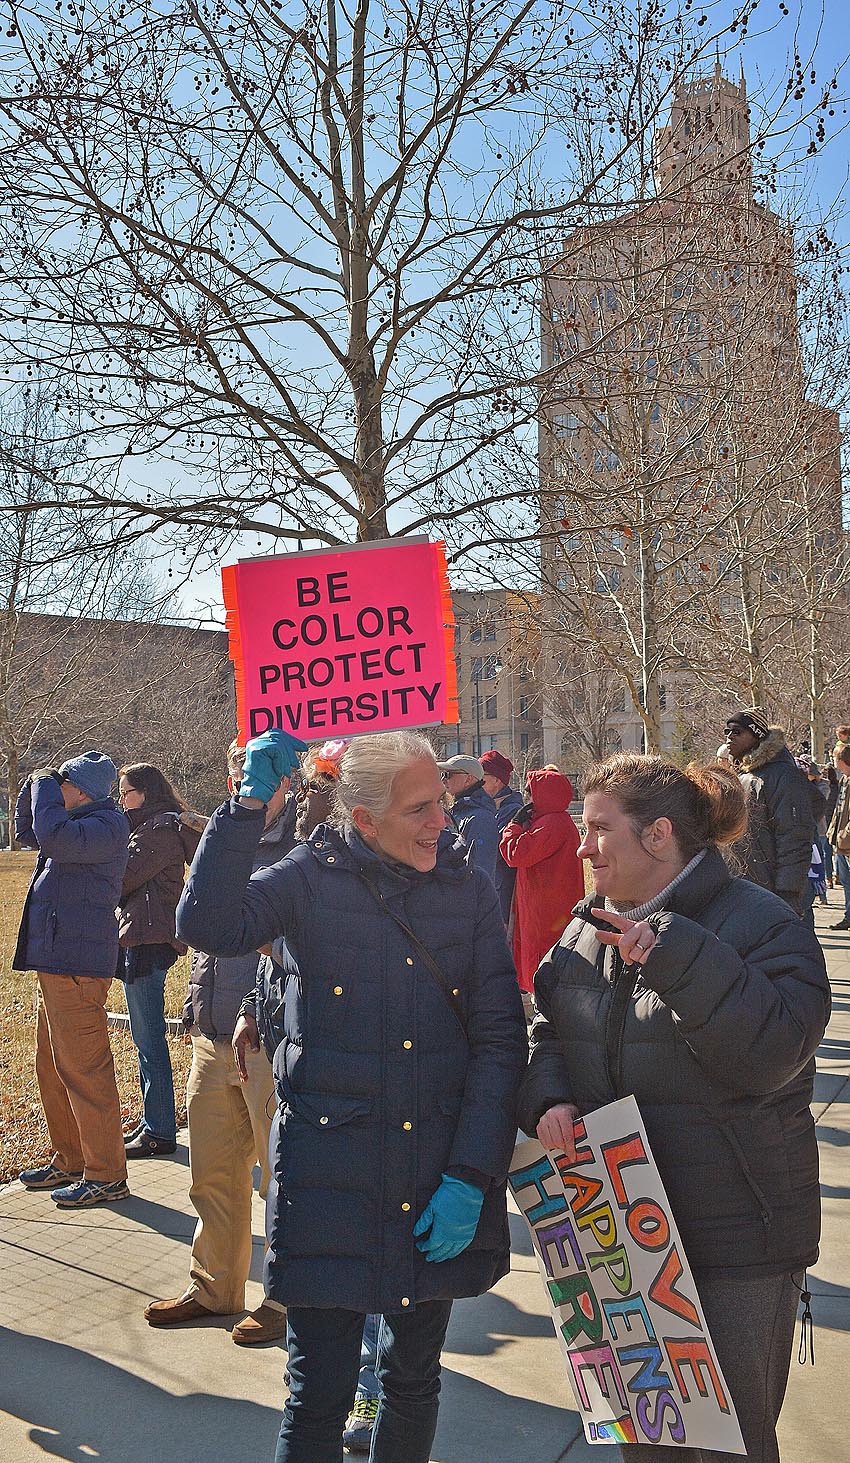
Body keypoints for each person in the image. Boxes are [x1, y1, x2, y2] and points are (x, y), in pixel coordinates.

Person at [179, 728, 527, 1463]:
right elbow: (207, 924)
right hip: (327, 1181)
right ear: (363, 819)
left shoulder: (464, 887)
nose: (442, 820)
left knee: (411, 1379)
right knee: (319, 1398)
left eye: (441, 800)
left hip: (435, 1173)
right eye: (420, 808)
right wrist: (244, 809)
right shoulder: (309, 877)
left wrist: (471, 1173)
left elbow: (500, 1039)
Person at [518, 752, 830, 1463]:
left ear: (658, 834)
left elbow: (774, 1049)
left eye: (599, 829)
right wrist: (550, 1098)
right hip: (622, 1240)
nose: (582, 846)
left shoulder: (762, 922)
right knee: (650, 1443)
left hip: (737, 1242)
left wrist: (672, 954)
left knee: (735, 1449)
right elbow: (548, 1037)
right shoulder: (582, 930)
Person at [144, 735, 304, 1344]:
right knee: (212, 1171)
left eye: (257, 770)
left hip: (269, 1036)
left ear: (288, 777)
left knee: (282, 1174)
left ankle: (287, 1298)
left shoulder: (305, 842)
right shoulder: (222, 835)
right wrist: (196, 1009)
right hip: (213, 1035)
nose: (245, 779)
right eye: (238, 767)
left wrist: (261, 1010)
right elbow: (203, 934)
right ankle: (214, 1287)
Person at [14, 752, 131, 1208]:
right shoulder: (74, 823)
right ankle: (71, 1159)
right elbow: (30, 831)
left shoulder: (104, 828)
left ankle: (106, 1174)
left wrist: (46, 785)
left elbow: (51, 836)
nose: (54, 788)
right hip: (59, 961)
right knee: (54, 1066)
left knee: (85, 1071)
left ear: (81, 790)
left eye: (61, 782)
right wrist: (35, 784)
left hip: (78, 967)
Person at [117, 763, 204, 1157]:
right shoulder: (146, 827)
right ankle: (154, 1124)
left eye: (126, 792)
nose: (121, 800)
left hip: (148, 939)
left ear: (146, 793)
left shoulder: (157, 829)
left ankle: (161, 1131)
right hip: (143, 936)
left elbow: (121, 878)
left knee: (149, 1039)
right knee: (144, 1039)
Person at [499, 767, 583, 997]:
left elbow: (514, 854)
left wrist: (514, 826)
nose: (528, 799)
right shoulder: (555, 820)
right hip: (549, 907)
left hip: (545, 911)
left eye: (530, 793)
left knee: (542, 966)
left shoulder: (552, 824)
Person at [723, 708, 814, 915]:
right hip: (747, 890)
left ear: (756, 736)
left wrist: (788, 894)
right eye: (726, 731)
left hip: (773, 896)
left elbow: (795, 837)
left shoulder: (783, 775)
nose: (729, 737)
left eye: (736, 732)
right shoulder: (745, 775)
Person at [436, 753, 499, 878]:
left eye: (448, 775)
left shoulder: (481, 818)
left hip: (465, 894)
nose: (443, 780)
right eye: (442, 775)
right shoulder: (459, 810)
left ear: (468, 779)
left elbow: (479, 871)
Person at [480, 749, 524, 923]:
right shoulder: (491, 806)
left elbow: (495, 848)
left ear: (497, 780)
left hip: (502, 890)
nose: (477, 780)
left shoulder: (511, 810)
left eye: (482, 775)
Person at [827, 743, 850, 931]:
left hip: (847, 841)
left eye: (835, 757)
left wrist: (844, 835)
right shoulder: (844, 780)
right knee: (846, 883)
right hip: (841, 843)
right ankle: (848, 916)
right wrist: (833, 832)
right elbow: (839, 810)